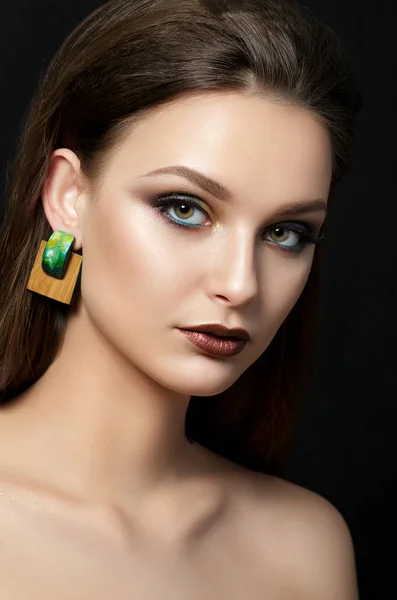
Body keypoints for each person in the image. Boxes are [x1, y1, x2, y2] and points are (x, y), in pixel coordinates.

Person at [0, 0, 361, 597]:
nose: (241, 284)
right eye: (184, 208)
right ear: (68, 197)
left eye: (285, 233)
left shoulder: (305, 546)